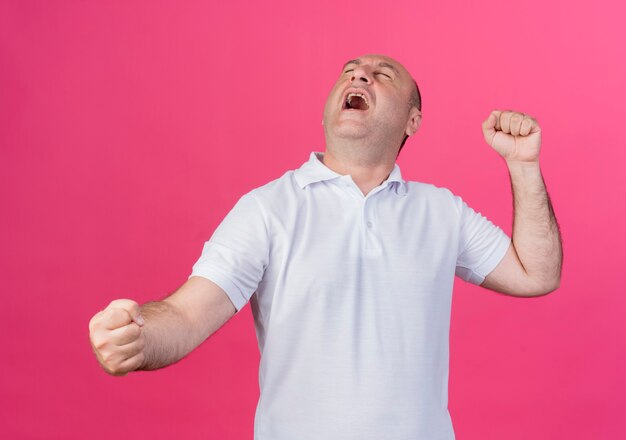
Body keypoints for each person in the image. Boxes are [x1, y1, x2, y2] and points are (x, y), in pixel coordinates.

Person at [89, 54, 563, 439]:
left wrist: (523, 166)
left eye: (384, 75)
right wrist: (139, 335)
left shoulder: (442, 211)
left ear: (413, 120)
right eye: (351, 71)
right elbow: (189, 314)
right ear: (326, 111)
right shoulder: (267, 208)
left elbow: (535, 274)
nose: (360, 75)